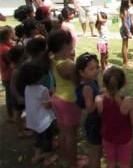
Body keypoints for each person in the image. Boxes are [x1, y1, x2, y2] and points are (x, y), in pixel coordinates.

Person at [47, 30, 84, 168]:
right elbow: (78, 83)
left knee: (63, 132)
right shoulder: (68, 65)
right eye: (71, 43)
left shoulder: (52, 59)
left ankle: (66, 157)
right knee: (71, 135)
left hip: (57, 98)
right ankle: (73, 163)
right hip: (70, 102)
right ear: (65, 45)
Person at [95, 67, 133, 168]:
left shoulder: (98, 100)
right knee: (125, 164)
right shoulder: (129, 102)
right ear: (124, 83)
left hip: (107, 138)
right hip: (125, 139)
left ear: (105, 84)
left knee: (110, 163)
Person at [20, 62, 58, 166]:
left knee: (38, 139)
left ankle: (36, 157)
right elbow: (47, 106)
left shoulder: (27, 88)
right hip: (44, 121)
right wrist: (53, 98)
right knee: (48, 140)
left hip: (32, 120)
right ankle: (48, 159)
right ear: (39, 76)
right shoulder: (43, 90)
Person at [75, 53, 102, 168]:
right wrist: (100, 98)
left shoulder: (92, 81)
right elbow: (90, 108)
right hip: (93, 122)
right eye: (91, 69)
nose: (95, 71)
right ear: (81, 72)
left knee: (98, 149)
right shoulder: (87, 87)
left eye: (97, 67)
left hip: (97, 120)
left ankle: (92, 162)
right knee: (95, 150)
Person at [0, 26, 15, 122]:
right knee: (11, 97)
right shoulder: (6, 49)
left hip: (5, 75)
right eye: (11, 34)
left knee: (9, 96)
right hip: (9, 75)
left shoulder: (3, 47)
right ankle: (11, 116)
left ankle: (11, 115)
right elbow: (12, 61)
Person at [119, 0, 133, 67]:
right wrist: (128, 32)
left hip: (126, 29)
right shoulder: (124, 11)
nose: (130, 3)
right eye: (129, 2)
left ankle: (126, 61)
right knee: (125, 46)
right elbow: (124, 23)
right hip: (124, 30)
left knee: (126, 46)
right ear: (126, 4)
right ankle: (125, 62)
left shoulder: (126, 11)